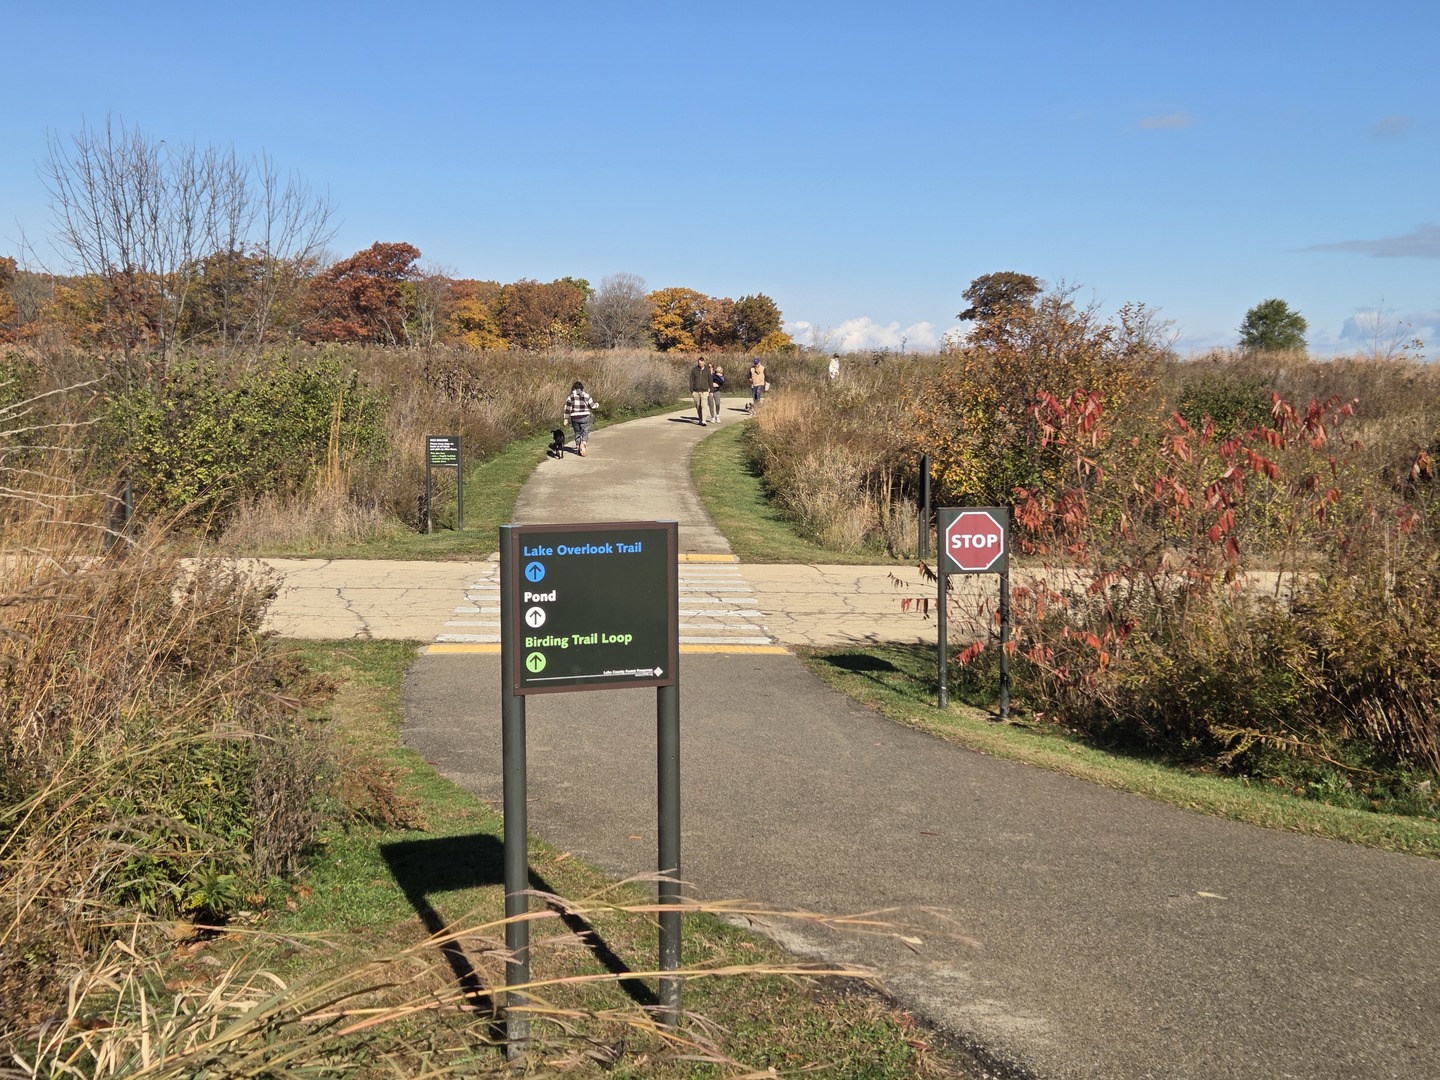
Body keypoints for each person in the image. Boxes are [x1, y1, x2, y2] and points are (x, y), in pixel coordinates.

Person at [563, 380, 597, 456]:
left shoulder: (570, 397)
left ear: (573, 388)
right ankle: (583, 444)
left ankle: (578, 446)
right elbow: (593, 406)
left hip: (574, 417)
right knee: (585, 431)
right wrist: (597, 405)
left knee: (577, 432)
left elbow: (567, 408)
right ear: (582, 388)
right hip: (585, 416)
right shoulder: (586, 395)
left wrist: (566, 419)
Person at [688, 355, 711, 424]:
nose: (700, 364)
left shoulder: (707, 370)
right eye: (699, 363)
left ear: (704, 362)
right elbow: (691, 380)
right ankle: (700, 419)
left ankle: (704, 420)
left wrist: (711, 390)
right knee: (698, 406)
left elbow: (710, 380)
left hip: (704, 391)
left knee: (704, 405)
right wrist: (691, 390)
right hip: (696, 391)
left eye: (701, 363)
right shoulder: (694, 370)